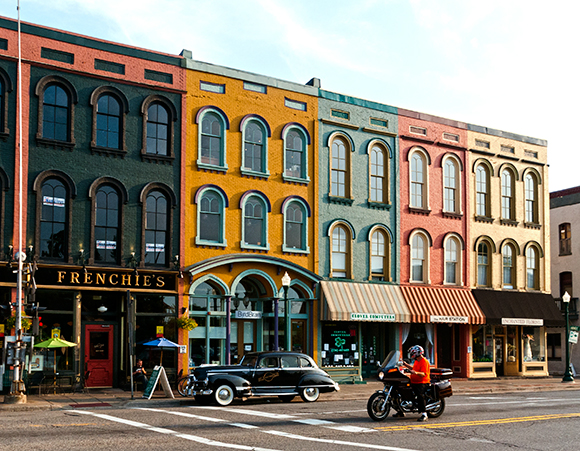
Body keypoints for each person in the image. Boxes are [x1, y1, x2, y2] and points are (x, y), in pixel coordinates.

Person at [393, 345, 430, 422]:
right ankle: (400, 411)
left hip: (422, 382)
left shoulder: (424, 361)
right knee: (400, 390)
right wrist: (405, 365)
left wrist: (415, 372)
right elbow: (413, 369)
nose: (411, 355)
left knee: (420, 395)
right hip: (413, 381)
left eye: (412, 353)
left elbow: (424, 374)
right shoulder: (417, 361)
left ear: (417, 353)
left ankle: (424, 414)